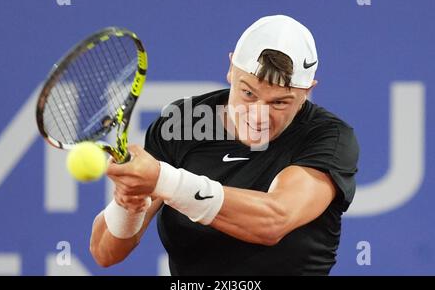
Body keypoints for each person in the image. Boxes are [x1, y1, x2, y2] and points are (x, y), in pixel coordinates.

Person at [89, 15, 359, 275]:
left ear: (307, 92)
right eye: (248, 93)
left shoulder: (329, 137)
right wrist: (128, 206)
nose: (257, 114)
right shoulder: (183, 124)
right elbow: (105, 253)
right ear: (231, 68)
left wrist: (162, 180)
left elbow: (274, 220)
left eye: (279, 102)